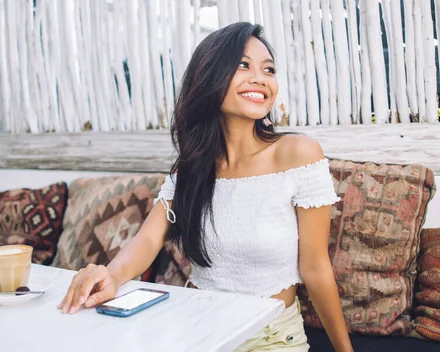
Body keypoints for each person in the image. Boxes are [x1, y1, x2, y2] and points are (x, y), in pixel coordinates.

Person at [58, 22, 353, 352]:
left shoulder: (297, 154)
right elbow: (149, 238)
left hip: (270, 339)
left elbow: (315, 267)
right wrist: (110, 275)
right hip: (199, 329)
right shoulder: (193, 169)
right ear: (211, 75)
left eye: (268, 69)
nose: (260, 78)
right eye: (243, 65)